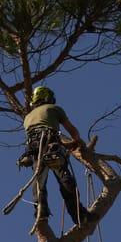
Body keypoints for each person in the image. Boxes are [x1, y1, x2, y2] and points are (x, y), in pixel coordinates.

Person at [19, 85, 92, 228]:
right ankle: (79, 215)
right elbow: (71, 130)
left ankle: (41, 212)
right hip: (50, 142)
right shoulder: (54, 109)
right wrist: (77, 141)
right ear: (48, 97)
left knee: (39, 180)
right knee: (65, 179)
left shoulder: (27, 118)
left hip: (33, 148)